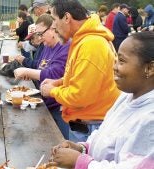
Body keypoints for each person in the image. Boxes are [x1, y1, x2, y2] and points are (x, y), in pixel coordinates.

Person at [50, 31, 154, 169]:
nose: (114, 67)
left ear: (150, 68)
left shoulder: (150, 118)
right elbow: (106, 136)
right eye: (116, 60)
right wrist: (81, 148)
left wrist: (80, 162)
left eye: (122, 61)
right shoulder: (126, 96)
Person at [40, 0, 120, 142]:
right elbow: (82, 78)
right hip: (87, 124)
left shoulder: (91, 44)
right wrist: (59, 82)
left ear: (66, 18)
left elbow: (80, 96)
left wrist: (51, 91)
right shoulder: (82, 40)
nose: (53, 26)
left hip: (91, 128)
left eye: (54, 20)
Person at [14, 14, 70, 139]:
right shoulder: (46, 46)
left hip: (59, 108)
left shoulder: (65, 47)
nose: (39, 38)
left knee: (60, 142)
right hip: (44, 104)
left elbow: (54, 74)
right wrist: (34, 76)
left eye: (41, 33)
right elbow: (41, 68)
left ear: (53, 29)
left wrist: (27, 72)